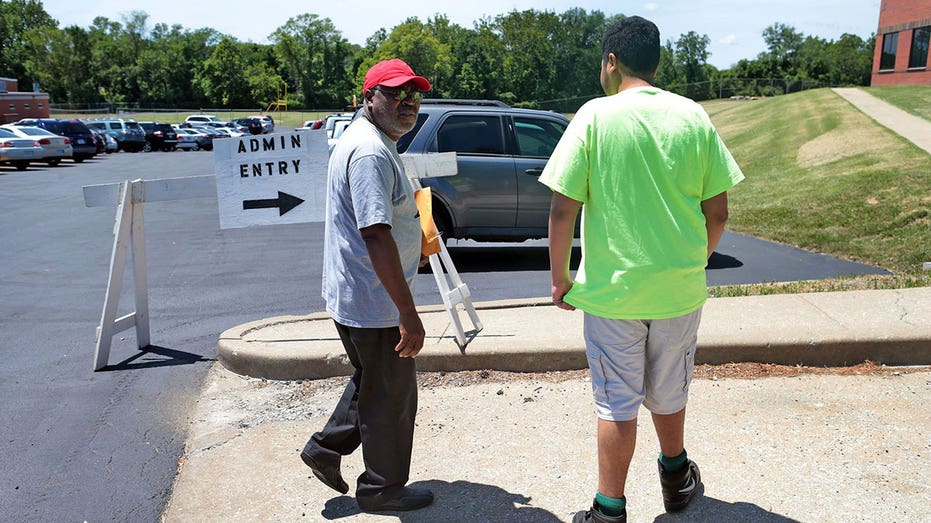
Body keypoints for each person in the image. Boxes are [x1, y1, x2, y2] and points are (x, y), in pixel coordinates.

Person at [540, 16, 745, 523]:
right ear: (655, 63)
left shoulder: (593, 116)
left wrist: (561, 279)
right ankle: (676, 479)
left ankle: (609, 510)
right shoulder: (693, 116)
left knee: (616, 403)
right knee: (670, 390)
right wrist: (692, 263)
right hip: (678, 292)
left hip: (613, 296)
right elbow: (718, 213)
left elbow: (562, 210)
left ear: (611, 61)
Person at [300, 58, 434, 513]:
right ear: (369, 97)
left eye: (414, 94)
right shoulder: (371, 152)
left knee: (375, 382)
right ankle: (382, 489)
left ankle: (325, 449)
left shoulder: (371, 140)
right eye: (395, 93)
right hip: (375, 302)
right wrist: (407, 313)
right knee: (392, 398)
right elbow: (375, 233)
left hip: (359, 294)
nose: (408, 102)